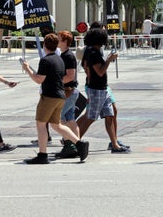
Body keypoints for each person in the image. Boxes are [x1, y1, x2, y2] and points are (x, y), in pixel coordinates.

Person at [22, 33, 89, 164]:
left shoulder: (46, 60)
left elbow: (38, 79)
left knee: (41, 124)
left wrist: (28, 69)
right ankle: (79, 143)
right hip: (60, 96)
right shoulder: (59, 59)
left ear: (44, 45)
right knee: (56, 124)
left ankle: (42, 154)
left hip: (49, 96)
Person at [76, 27, 126, 153]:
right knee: (91, 117)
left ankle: (115, 145)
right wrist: (109, 60)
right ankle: (74, 142)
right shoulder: (94, 53)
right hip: (96, 88)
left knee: (110, 115)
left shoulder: (90, 50)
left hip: (102, 88)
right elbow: (100, 71)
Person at [55, 30, 81, 159]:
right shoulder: (63, 54)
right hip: (70, 91)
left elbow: (70, 76)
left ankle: (70, 144)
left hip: (68, 91)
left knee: (59, 120)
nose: (56, 40)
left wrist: (56, 82)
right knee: (70, 120)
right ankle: (77, 145)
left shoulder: (68, 56)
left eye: (59, 38)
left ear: (65, 41)